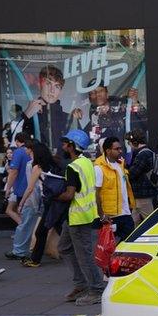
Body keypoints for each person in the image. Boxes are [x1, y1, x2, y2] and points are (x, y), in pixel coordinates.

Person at [57, 129, 104, 306]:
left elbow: (69, 195)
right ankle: (82, 284)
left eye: (65, 143)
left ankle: (96, 289)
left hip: (78, 217)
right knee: (64, 247)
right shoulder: (86, 162)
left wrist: (53, 195)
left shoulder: (72, 168)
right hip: (79, 216)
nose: (62, 146)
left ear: (71, 146)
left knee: (84, 255)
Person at [18, 142, 60, 268]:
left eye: (31, 152)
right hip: (60, 200)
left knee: (40, 232)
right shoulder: (55, 164)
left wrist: (21, 203)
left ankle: (35, 259)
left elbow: (30, 188)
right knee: (60, 228)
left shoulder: (37, 167)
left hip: (49, 201)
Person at [20, 65, 77, 150]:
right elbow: (15, 143)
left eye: (57, 86)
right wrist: (26, 115)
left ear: (60, 91)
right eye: (48, 84)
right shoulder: (30, 117)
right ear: (39, 85)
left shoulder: (69, 119)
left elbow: (79, 149)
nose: (52, 90)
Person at [95, 137, 136, 242]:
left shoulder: (120, 165)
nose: (120, 151)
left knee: (128, 245)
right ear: (108, 151)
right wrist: (102, 215)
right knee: (109, 248)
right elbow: (97, 194)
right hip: (111, 216)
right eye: (117, 149)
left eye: (120, 148)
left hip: (125, 213)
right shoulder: (99, 168)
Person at [6, 136, 39, 261]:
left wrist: (8, 189)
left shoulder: (21, 154)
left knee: (26, 221)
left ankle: (20, 250)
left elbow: (14, 172)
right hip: (39, 194)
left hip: (26, 193)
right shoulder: (38, 157)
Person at [126, 130, 157, 224]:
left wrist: (124, 168)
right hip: (141, 195)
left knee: (150, 223)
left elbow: (133, 173)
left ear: (135, 142)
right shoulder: (148, 152)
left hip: (143, 195)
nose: (129, 145)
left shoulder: (143, 155)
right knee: (134, 223)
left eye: (129, 143)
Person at [3, 132, 28, 227]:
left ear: (17, 141)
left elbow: (14, 172)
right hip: (33, 188)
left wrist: (8, 188)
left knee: (22, 214)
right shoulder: (31, 151)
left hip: (21, 189)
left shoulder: (18, 152)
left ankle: (24, 233)